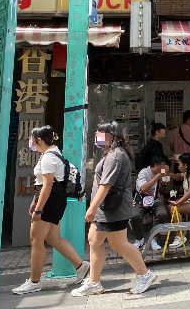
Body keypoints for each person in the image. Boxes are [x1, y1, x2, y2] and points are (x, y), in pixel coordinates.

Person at [72, 122, 157, 296]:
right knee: (94, 241)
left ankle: (144, 274)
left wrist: (92, 208)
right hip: (107, 207)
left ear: (111, 135)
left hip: (112, 208)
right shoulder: (112, 153)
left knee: (118, 244)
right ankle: (94, 282)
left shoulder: (115, 156)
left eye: (100, 133)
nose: (96, 137)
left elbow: (106, 185)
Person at [12, 126, 89, 295]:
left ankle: (34, 281)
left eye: (31, 139)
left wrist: (38, 210)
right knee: (54, 238)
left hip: (49, 200)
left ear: (39, 140)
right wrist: (34, 202)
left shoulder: (48, 157)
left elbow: (47, 186)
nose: (30, 142)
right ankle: (81, 266)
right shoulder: (53, 153)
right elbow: (42, 184)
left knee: (36, 239)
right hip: (53, 199)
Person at [130, 154, 171, 252]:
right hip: (141, 200)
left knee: (162, 213)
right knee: (134, 216)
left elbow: (161, 192)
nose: (165, 169)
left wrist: (164, 185)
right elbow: (143, 188)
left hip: (155, 200)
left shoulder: (162, 174)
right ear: (156, 165)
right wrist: (157, 177)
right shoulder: (144, 172)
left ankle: (154, 239)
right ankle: (139, 239)